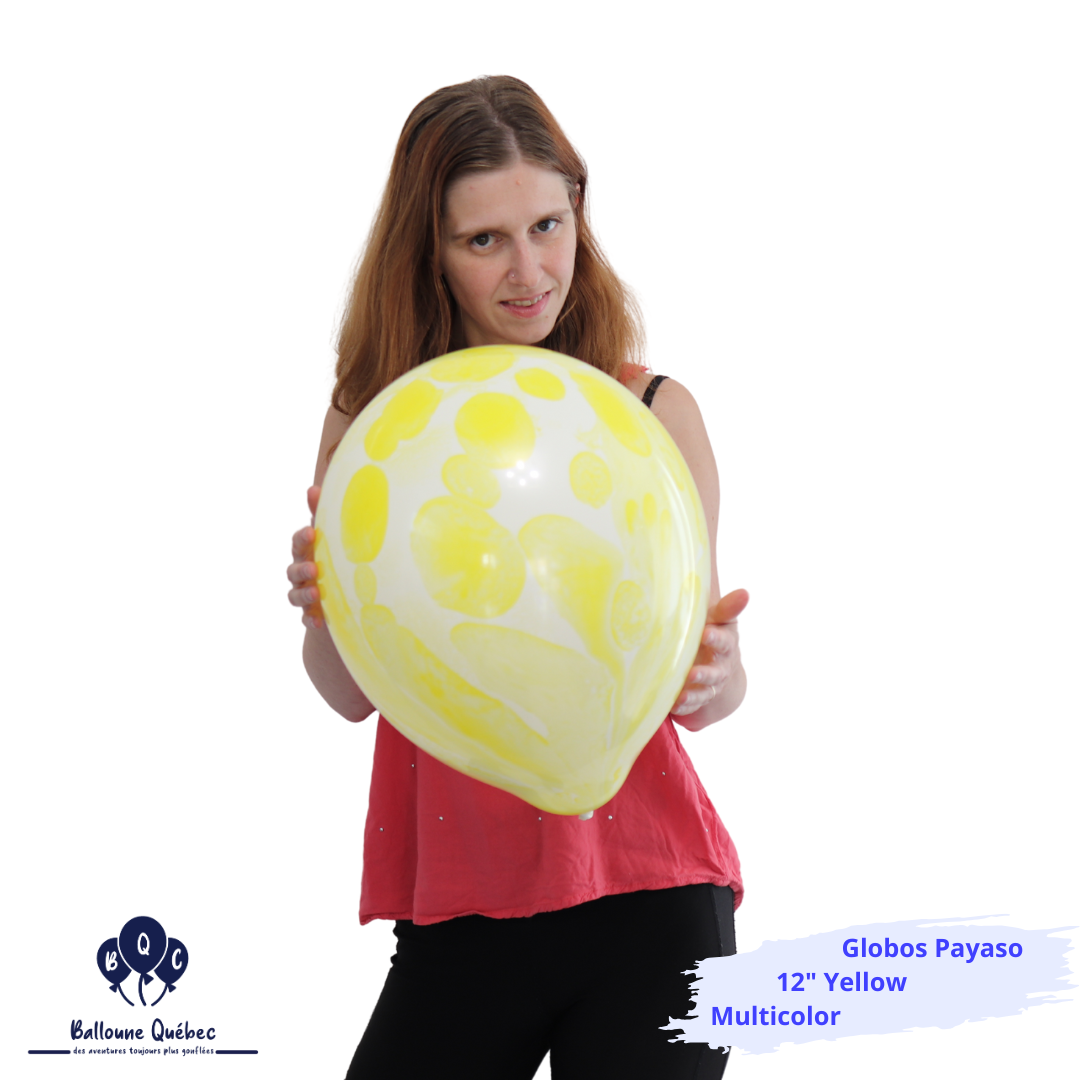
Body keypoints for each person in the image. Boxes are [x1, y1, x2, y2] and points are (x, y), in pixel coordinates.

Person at [286, 75, 749, 1080]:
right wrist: (328, 608)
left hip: (654, 902)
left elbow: (703, 695)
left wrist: (718, 669)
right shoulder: (374, 427)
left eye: (548, 225)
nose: (529, 271)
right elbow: (348, 693)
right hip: (462, 912)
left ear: (579, 211)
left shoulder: (651, 414)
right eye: (484, 240)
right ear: (429, 252)